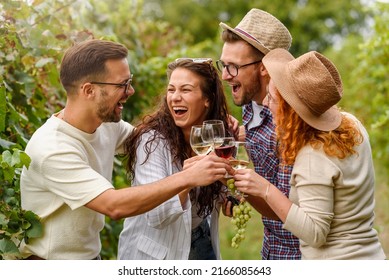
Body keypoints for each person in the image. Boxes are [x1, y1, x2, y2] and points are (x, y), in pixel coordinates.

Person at [19, 40, 233, 260]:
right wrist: (187, 178)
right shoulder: (53, 148)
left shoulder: (106, 125)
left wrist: (210, 122)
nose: (130, 90)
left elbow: (155, 137)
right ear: (89, 90)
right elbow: (114, 206)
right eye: (122, 84)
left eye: (129, 82)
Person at [234, 48, 387, 260]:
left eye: (271, 98)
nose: (265, 103)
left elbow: (315, 233)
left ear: (290, 110)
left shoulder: (313, 155)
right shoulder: (352, 125)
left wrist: (266, 189)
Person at [117, 58, 233, 260]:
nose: (175, 98)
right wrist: (189, 179)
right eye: (171, 90)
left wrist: (229, 194)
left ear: (208, 99)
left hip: (201, 241)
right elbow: (157, 215)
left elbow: (221, 185)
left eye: (186, 90)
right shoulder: (151, 141)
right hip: (156, 254)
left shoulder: (215, 137)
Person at [217, 8, 300, 259]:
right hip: (270, 246)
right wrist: (237, 135)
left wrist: (228, 176)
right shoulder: (252, 104)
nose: (224, 75)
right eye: (223, 65)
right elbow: (263, 145)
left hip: (295, 253)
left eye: (233, 67)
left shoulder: (291, 124)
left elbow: (286, 210)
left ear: (264, 67)